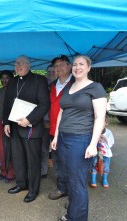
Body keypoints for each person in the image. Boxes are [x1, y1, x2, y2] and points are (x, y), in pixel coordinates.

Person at [51, 55, 107, 221]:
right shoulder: (70, 87)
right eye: (75, 64)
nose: (77, 67)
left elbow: (99, 117)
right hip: (63, 138)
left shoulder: (95, 88)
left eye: (81, 64)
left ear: (89, 67)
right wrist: (55, 136)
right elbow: (62, 112)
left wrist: (92, 143)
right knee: (70, 179)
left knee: (77, 183)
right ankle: (72, 214)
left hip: (80, 140)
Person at [3, 55, 50, 203]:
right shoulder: (13, 81)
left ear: (29, 65)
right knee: (18, 158)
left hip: (31, 127)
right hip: (14, 127)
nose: (19, 66)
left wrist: (29, 119)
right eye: (16, 63)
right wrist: (5, 123)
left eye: (22, 63)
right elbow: (7, 103)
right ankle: (22, 184)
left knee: (32, 160)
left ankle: (33, 190)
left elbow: (44, 104)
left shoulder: (39, 80)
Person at [48, 55, 74, 200]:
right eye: (56, 66)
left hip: (71, 130)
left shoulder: (76, 84)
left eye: (62, 64)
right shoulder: (52, 85)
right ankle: (61, 187)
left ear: (69, 66)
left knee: (71, 160)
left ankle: (73, 189)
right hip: (53, 129)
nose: (58, 68)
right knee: (57, 161)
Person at [0, 70, 15, 183]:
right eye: (2, 78)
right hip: (1, 121)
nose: (4, 80)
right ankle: (4, 170)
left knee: (12, 148)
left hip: (13, 122)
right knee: (1, 148)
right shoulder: (0, 90)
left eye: (7, 78)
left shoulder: (16, 91)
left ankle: (11, 173)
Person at [41, 64, 57, 179]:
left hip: (57, 123)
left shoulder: (62, 85)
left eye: (53, 71)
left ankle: (59, 174)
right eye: (49, 71)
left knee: (57, 150)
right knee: (43, 148)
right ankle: (43, 171)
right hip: (44, 122)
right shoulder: (42, 85)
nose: (51, 73)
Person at [90, 116, 114, 188]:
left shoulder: (109, 132)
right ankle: (93, 180)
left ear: (106, 123)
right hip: (96, 152)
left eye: (102, 122)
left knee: (106, 166)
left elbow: (111, 142)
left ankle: (105, 180)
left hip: (106, 153)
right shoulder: (93, 131)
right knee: (94, 164)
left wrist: (104, 138)